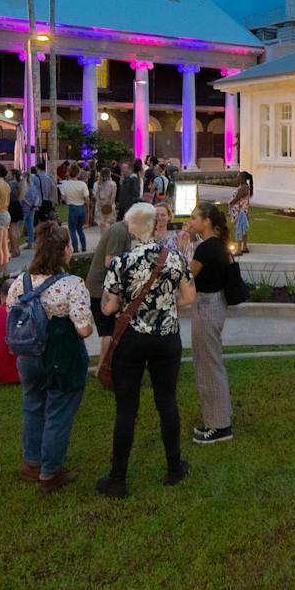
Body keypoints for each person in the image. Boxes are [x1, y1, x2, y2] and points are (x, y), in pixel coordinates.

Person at [99, 201, 196, 499]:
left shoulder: (120, 262)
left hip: (131, 339)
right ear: (155, 225)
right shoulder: (174, 258)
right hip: (166, 339)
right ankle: (173, 467)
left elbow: (109, 307)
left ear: (131, 228)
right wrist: (165, 309)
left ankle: (118, 479)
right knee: (167, 402)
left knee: (127, 408)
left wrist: (116, 307)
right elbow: (189, 297)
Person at [5, 223, 95, 491]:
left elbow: (11, 310)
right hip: (60, 355)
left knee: (33, 405)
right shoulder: (72, 285)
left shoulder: (20, 282)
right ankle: (51, 471)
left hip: (27, 353)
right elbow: (83, 329)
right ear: (64, 250)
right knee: (58, 410)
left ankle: (32, 462)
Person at [186, 201, 236, 445]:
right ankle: (218, 416)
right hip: (214, 305)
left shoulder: (205, 249)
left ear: (207, 221)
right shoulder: (217, 245)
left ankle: (219, 425)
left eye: (195, 218)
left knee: (208, 365)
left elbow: (186, 277)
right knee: (209, 362)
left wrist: (182, 246)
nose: (191, 221)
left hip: (207, 307)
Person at [58, 165, 91, 253]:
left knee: (72, 230)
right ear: (78, 173)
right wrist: (87, 208)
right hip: (81, 207)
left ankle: (75, 249)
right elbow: (87, 198)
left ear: (69, 172)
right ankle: (84, 247)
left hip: (72, 207)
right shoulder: (82, 184)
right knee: (80, 229)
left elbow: (63, 198)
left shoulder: (65, 184)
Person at [228, 174, 253, 254]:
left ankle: (239, 249)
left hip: (240, 211)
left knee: (239, 229)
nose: (237, 179)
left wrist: (230, 203)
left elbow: (237, 198)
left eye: (238, 177)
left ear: (242, 179)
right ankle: (244, 247)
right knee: (243, 230)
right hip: (242, 211)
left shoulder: (244, 187)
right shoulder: (244, 186)